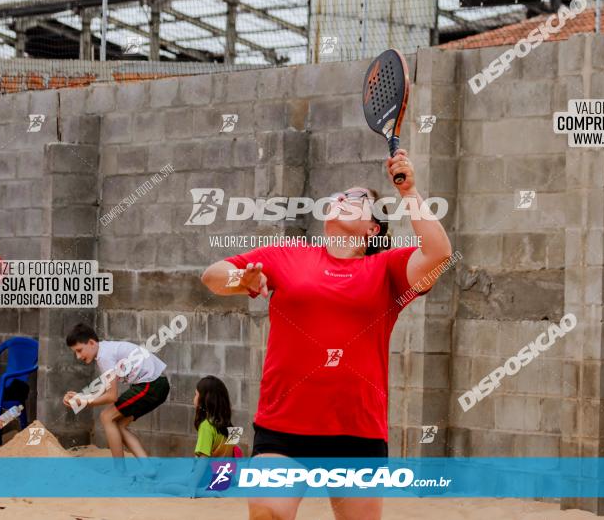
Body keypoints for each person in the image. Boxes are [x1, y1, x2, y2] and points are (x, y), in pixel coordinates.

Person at [201, 149, 453, 520]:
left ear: (373, 229)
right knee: (267, 514)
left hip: (358, 431)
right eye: (338, 196)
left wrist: (409, 192)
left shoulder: (387, 268)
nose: (341, 199)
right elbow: (213, 275)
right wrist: (244, 279)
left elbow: (439, 253)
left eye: (356, 198)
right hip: (283, 428)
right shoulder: (287, 254)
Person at [62, 323, 170, 474]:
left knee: (106, 416)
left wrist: (84, 401)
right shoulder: (106, 350)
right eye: (75, 353)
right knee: (118, 424)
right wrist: (81, 397)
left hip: (151, 384)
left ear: (92, 343)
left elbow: (111, 396)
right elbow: (106, 389)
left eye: (79, 350)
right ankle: (148, 468)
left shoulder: (104, 356)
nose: (78, 356)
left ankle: (120, 471)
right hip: (156, 384)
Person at [194, 375, 243, 458]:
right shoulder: (231, 428)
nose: (194, 398)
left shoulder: (206, 427)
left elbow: (203, 461)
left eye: (196, 394)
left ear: (204, 400)